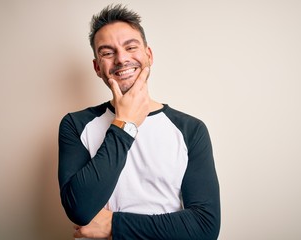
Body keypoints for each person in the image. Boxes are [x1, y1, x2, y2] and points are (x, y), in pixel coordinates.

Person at [58, 4, 220, 240]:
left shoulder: (191, 129)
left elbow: (205, 227)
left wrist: (114, 224)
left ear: (148, 55)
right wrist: (125, 123)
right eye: (107, 52)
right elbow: (79, 210)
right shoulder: (75, 125)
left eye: (131, 47)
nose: (122, 59)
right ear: (97, 67)